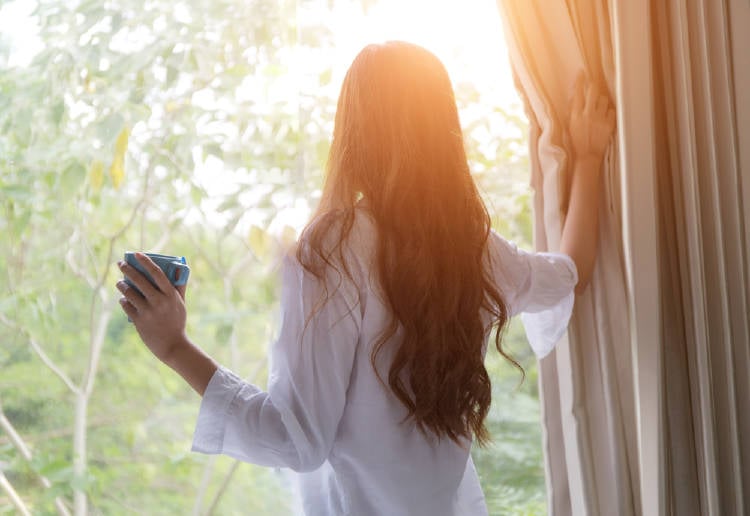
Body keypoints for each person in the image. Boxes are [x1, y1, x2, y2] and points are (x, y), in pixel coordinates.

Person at [115, 41, 615, 515]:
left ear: (352, 131)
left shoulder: (331, 251)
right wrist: (590, 158)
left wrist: (174, 347)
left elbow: (297, 440)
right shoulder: (476, 251)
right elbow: (572, 273)